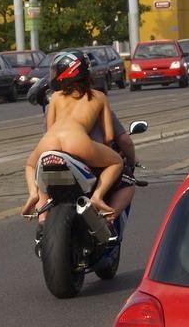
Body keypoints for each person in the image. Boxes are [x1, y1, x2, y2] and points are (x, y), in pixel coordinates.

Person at [21, 51, 123, 218]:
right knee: (116, 162)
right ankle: (97, 196)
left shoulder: (55, 97)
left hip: (50, 140)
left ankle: (33, 194)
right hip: (77, 139)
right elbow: (109, 137)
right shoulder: (99, 96)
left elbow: (50, 127)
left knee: (31, 166)